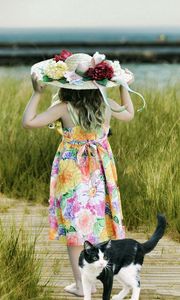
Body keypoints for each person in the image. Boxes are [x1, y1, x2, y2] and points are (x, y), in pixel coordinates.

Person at [22, 50, 144, 297]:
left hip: (73, 171)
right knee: (97, 222)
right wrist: (123, 88)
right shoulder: (105, 104)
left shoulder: (64, 106)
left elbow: (29, 122)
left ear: (68, 84)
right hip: (100, 170)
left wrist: (37, 93)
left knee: (76, 228)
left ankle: (81, 284)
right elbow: (130, 115)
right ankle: (92, 279)